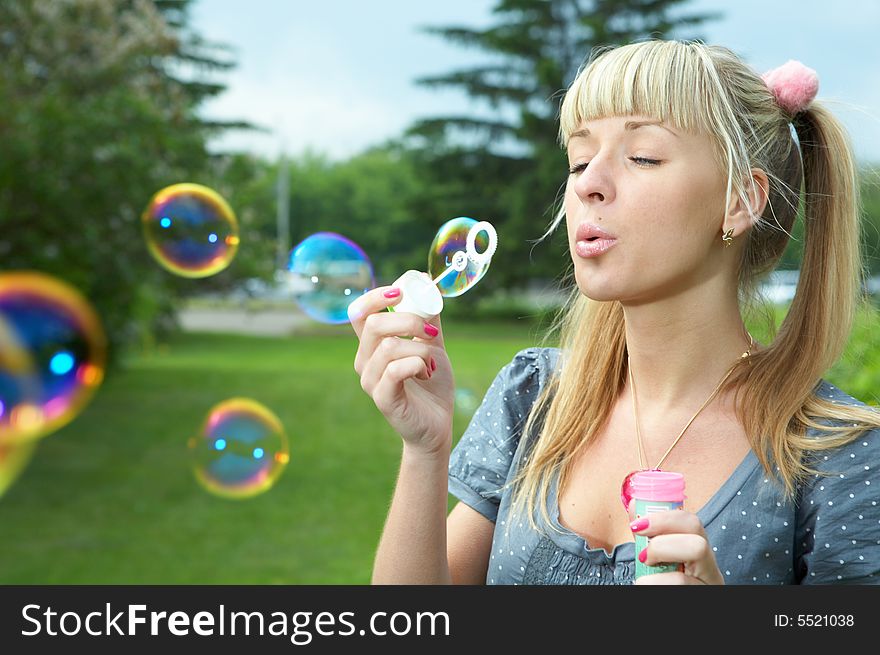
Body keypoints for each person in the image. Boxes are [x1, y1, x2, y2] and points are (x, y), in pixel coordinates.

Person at [347, 40, 880, 585]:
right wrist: (424, 449)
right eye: (579, 159)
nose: (585, 183)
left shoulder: (839, 456)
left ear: (740, 201)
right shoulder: (533, 398)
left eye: (642, 156)